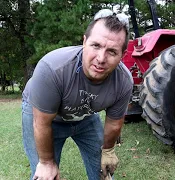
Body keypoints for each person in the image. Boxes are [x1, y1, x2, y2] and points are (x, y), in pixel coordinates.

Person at [22, 9, 133, 180]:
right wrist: (46, 162)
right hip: (45, 117)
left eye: (112, 51)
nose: (101, 58)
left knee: (102, 168)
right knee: (45, 175)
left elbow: (114, 123)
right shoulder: (52, 69)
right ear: (84, 41)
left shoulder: (124, 81)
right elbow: (41, 123)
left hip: (86, 115)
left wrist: (108, 150)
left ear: (122, 55)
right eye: (96, 46)